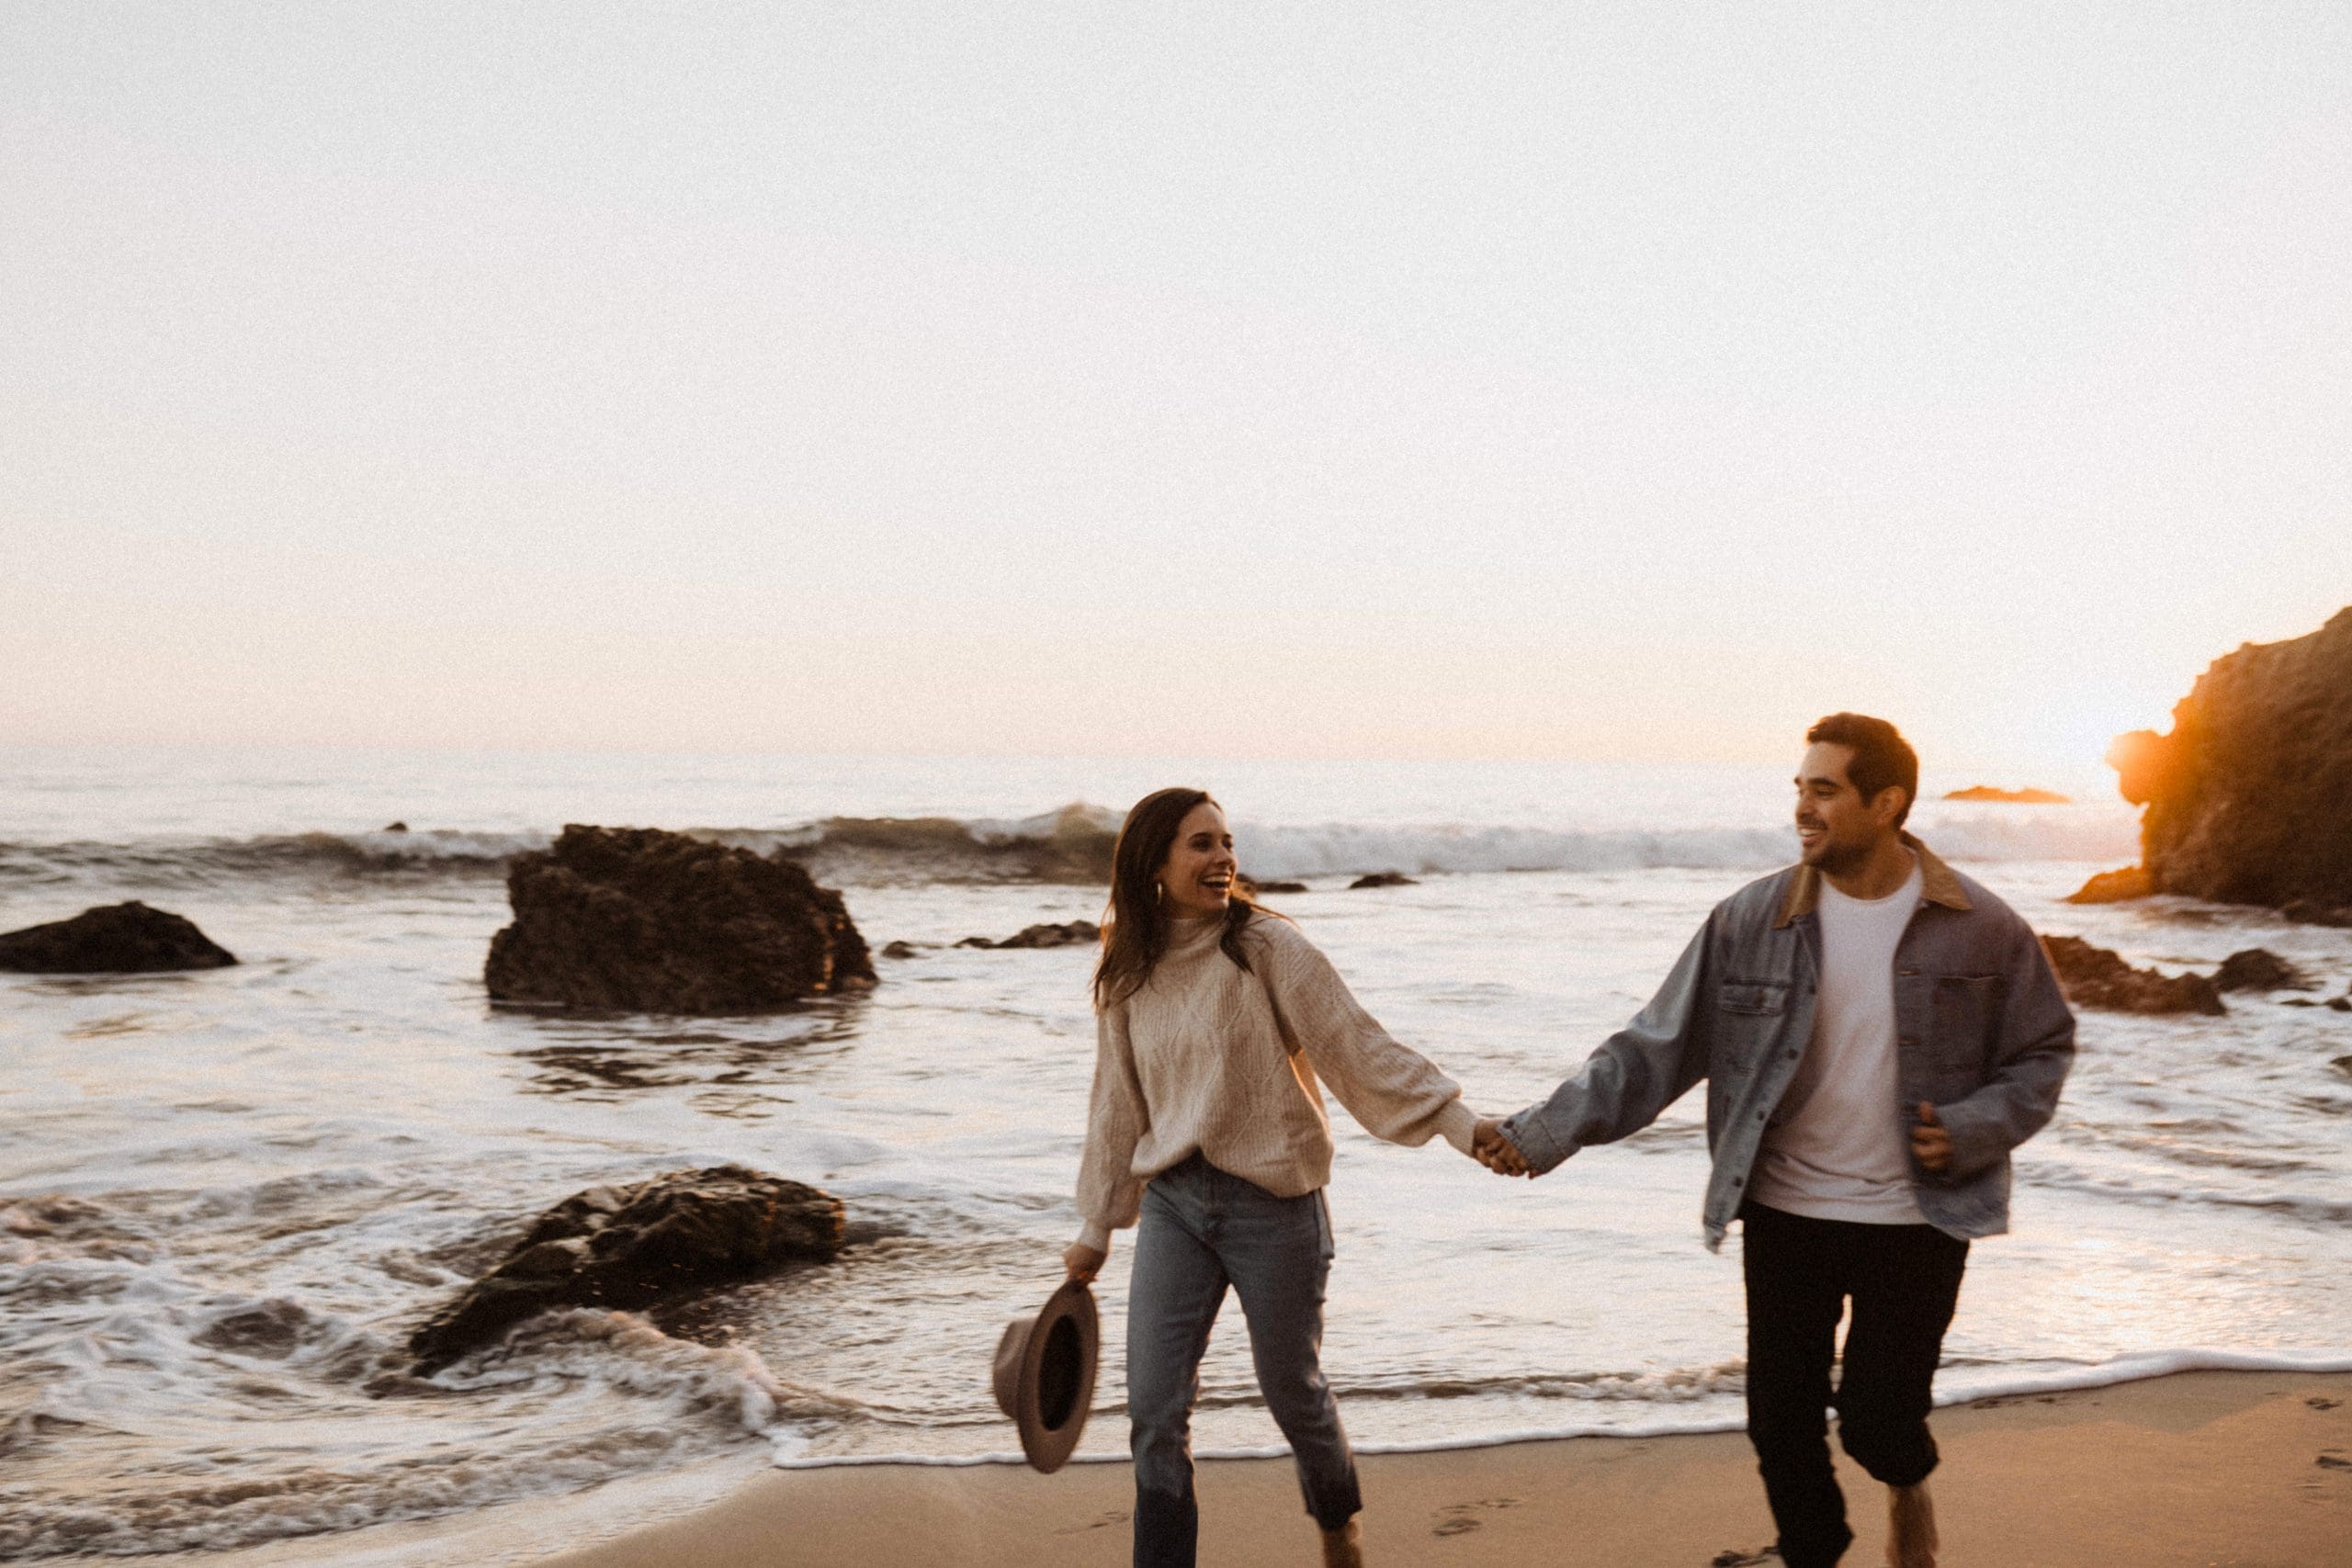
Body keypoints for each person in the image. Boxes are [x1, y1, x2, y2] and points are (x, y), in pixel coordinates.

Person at [1476, 714, 2074, 1568]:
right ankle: (1812, 1549)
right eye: (1799, 787)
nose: (1803, 806)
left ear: (1887, 802)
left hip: (1919, 1215)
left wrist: (1975, 1128)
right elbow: (1655, 1046)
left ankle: (1907, 1486)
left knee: (1877, 1420)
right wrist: (1543, 1132)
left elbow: (2041, 1049)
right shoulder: (1752, 918)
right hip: (1788, 1206)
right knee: (1779, 1417)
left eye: (1824, 789)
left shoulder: (1983, 925)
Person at [1064, 786, 1511, 1568]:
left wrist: (1459, 1124)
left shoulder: (1270, 949)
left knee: (1293, 1392)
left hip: (1274, 1203)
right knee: (1154, 1413)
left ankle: (1338, 1522)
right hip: (1174, 1204)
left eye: (1226, 841)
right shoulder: (1126, 970)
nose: (1223, 858)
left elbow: (1355, 1045)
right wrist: (1096, 1227)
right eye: (1201, 843)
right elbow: (1116, 1104)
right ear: (1155, 863)